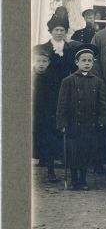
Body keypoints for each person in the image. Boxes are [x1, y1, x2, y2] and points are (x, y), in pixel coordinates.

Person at [56, 44, 106, 190]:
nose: (86, 63)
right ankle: (74, 179)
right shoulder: (68, 81)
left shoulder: (98, 82)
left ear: (93, 63)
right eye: (83, 60)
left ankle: (83, 180)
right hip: (73, 124)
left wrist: (102, 119)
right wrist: (62, 123)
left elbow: (102, 104)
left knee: (86, 152)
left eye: (89, 60)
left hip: (89, 125)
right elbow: (62, 104)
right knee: (73, 153)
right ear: (76, 62)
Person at [32, 45, 62, 183]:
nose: (41, 64)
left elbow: (56, 99)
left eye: (44, 61)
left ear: (48, 63)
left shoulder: (53, 79)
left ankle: (51, 172)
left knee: (49, 144)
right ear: (33, 61)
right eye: (38, 61)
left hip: (47, 117)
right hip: (31, 117)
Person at [39, 8, 80, 83]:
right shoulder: (42, 49)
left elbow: (74, 71)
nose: (59, 33)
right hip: (46, 88)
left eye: (62, 30)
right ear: (51, 31)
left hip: (65, 88)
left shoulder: (71, 50)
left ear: (66, 32)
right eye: (56, 30)